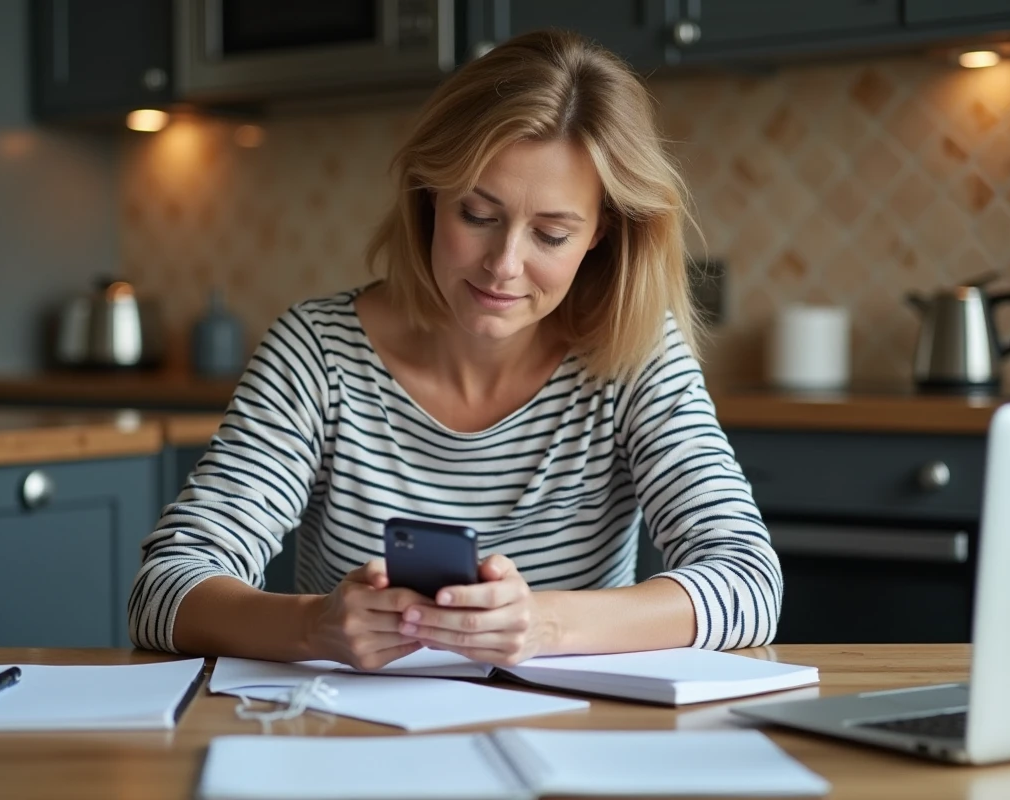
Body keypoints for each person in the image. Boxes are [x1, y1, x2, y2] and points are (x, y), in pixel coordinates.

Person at [128, 29, 781, 669]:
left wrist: (544, 625)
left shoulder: (635, 353)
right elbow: (162, 591)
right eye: (478, 215)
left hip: (568, 749)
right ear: (429, 194)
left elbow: (749, 582)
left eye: (551, 234)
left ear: (601, 235)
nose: (504, 264)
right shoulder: (318, 351)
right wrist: (312, 626)